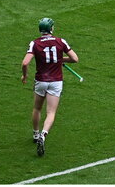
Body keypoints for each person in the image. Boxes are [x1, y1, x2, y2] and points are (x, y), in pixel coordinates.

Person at [21, 17, 78, 157]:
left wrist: (24, 76)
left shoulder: (34, 43)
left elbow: (25, 63)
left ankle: (35, 134)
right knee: (51, 112)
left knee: (37, 108)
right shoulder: (60, 41)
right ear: (51, 28)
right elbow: (75, 59)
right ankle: (44, 134)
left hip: (40, 80)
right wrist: (60, 59)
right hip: (56, 81)